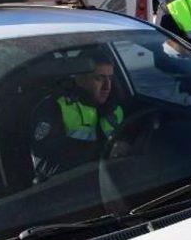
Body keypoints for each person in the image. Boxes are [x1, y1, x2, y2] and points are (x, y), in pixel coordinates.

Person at [30, 49, 124, 183]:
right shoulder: (53, 108)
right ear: (80, 79)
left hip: (122, 181)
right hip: (76, 192)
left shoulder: (116, 106)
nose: (107, 86)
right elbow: (45, 165)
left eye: (110, 78)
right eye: (99, 78)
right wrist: (105, 152)